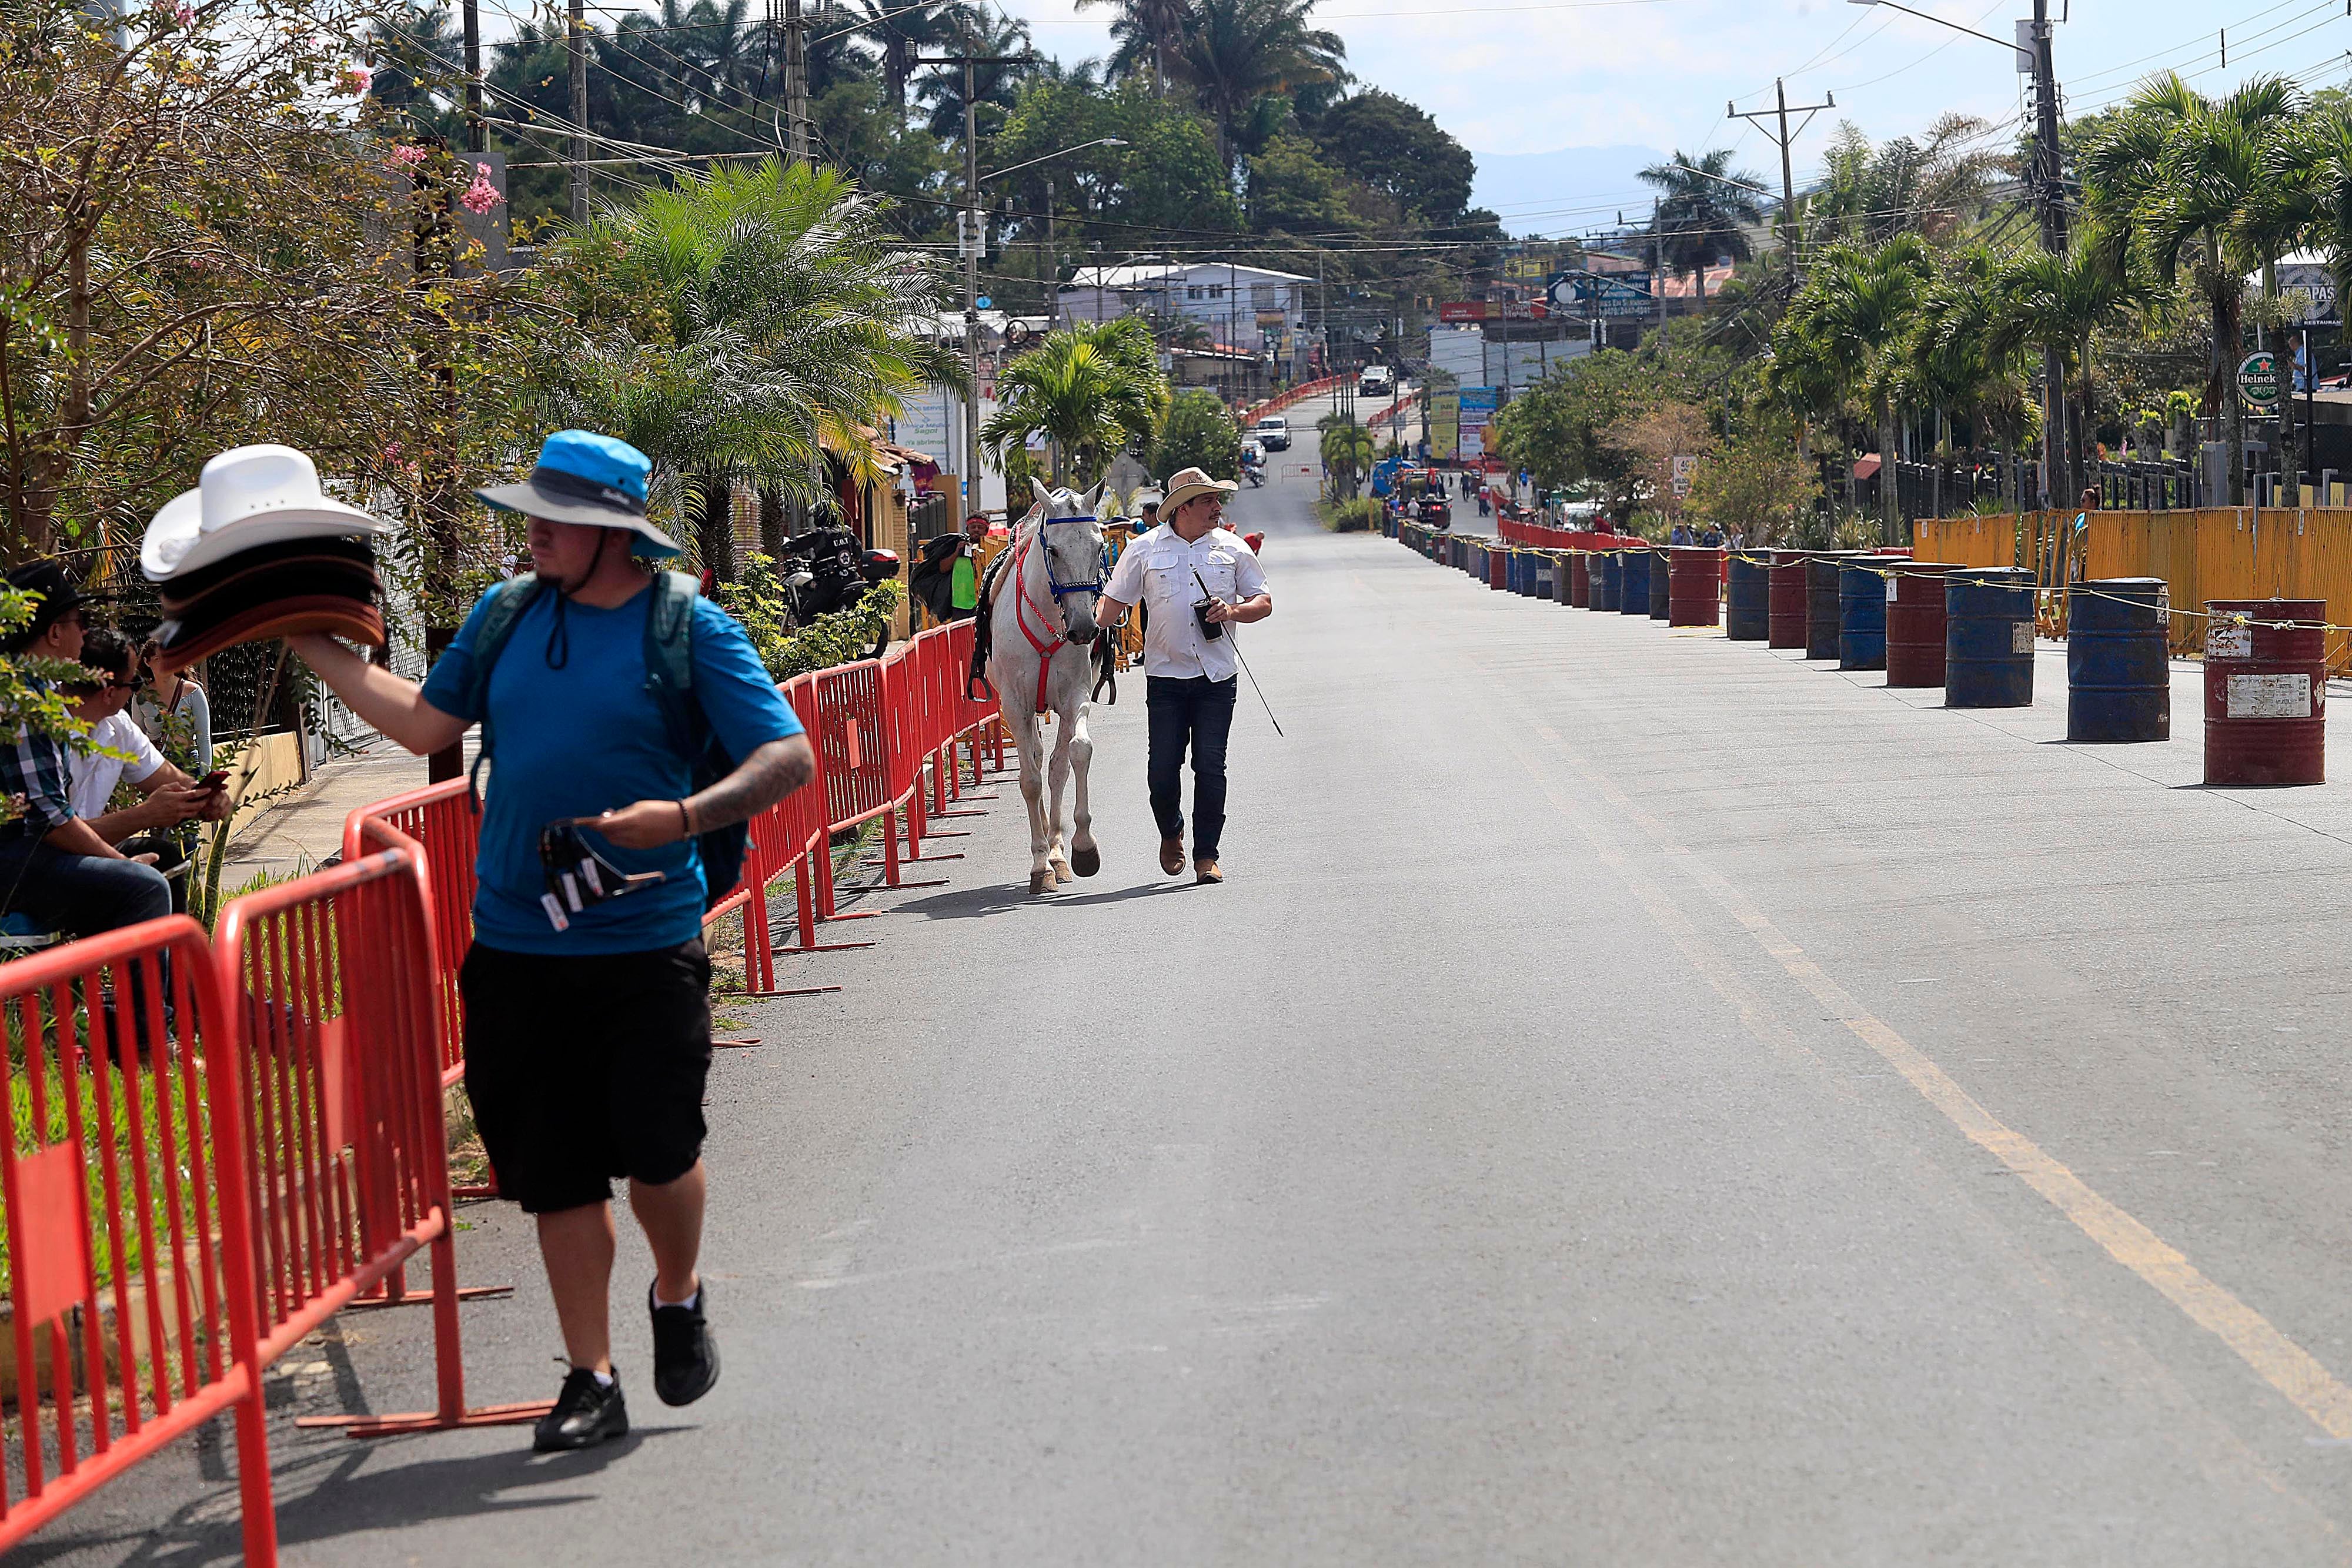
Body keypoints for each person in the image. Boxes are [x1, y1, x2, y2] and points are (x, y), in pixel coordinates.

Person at [286, 430, 816, 1455]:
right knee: (556, 1170)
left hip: (645, 941)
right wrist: (321, 649)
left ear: (616, 530)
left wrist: (685, 817)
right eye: (530, 510)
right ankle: (591, 1373)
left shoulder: (686, 626)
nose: (532, 528)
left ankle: (677, 1292)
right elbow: (422, 721)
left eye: (555, 515)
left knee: (662, 1150)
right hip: (518, 944)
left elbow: (787, 752)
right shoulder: (504, 613)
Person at [1095, 466, 1272, 885]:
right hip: (1166, 679)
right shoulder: (1143, 550)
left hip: (1216, 678)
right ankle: (1171, 830)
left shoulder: (1231, 548)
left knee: (1211, 765)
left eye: (1217, 499)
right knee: (1162, 769)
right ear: (1184, 507)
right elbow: (1110, 606)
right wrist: (1078, 625)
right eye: (1209, 500)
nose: (1218, 507)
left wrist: (1231, 612)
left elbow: (1263, 601)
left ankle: (1207, 855)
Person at [0, 561, 182, 939]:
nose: (86, 632)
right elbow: (51, 820)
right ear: (54, 632)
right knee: (145, 885)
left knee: (157, 862)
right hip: (15, 863)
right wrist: (122, 862)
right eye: (79, 622)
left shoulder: (37, 695)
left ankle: (182, 991)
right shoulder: (23, 705)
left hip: (29, 855)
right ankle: (150, 1000)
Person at [63, 628, 228, 910]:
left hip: (85, 850)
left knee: (165, 856)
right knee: (144, 883)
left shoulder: (117, 726)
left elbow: (163, 773)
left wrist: (204, 795)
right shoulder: (44, 732)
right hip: (46, 858)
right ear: (110, 692)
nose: (137, 690)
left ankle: (177, 952)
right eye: (134, 683)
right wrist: (143, 817)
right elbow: (58, 832)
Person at [133, 641, 213, 774]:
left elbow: (204, 737)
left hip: (188, 763)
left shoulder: (193, 692)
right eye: (158, 659)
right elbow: (137, 737)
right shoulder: (141, 696)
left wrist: (205, 776)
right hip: (156, 764)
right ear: (147, 662)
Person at [948, 512, 990, 621]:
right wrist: (957, 552)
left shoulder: (991, 550)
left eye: (980, 527)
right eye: (973, 527)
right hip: (959, 606)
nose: (976, 530)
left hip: (984, 604)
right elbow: (943, 568)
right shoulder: (957, 548)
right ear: (967, 529)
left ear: (986, 530)